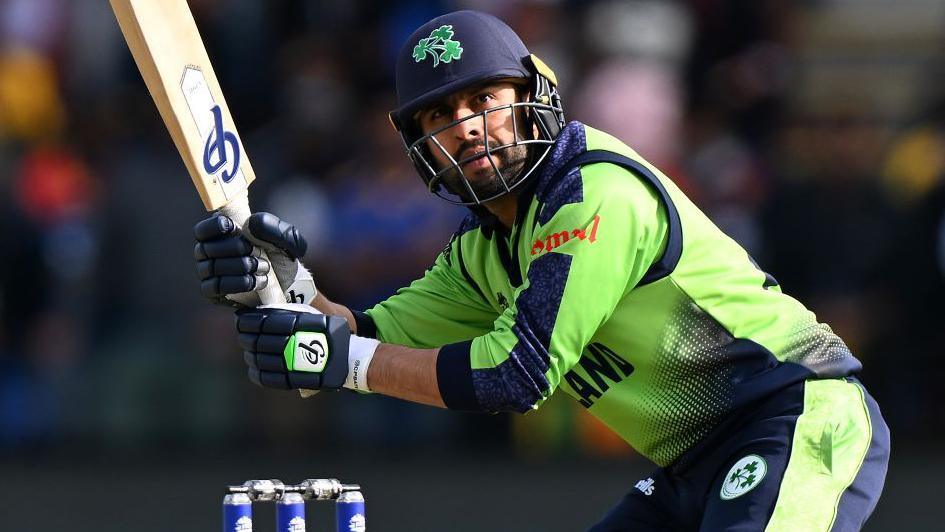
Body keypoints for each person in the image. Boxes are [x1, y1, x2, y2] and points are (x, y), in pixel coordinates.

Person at [192, 10, 889, 531]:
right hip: (690, 464)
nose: (465, 127)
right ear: (418, 150)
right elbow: (355, 335)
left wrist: (338, 360)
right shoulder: (482, 252)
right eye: (439, 115)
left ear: (534, 95)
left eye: (482, 100)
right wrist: (280, 287)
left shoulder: (597, 194)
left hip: (793, 417)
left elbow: (511, 375)